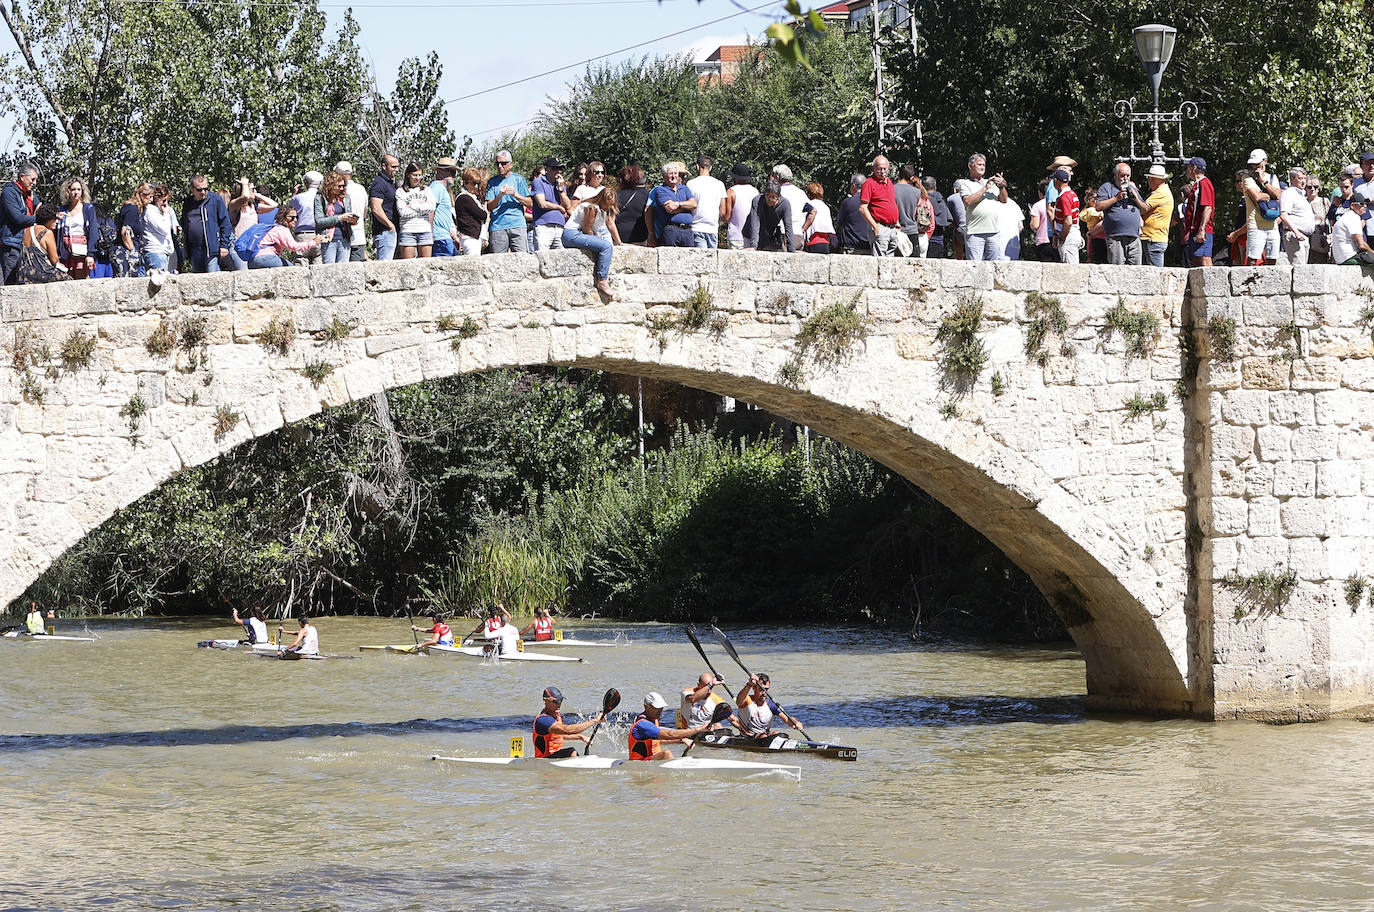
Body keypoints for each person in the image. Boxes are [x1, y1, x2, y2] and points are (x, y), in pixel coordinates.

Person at [562, 185, 619, 296]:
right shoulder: (591, 207)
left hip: (575, 234)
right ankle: (602, 280)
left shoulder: (599, 208)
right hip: (572, 234)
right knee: (606, 246)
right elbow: (587, 229)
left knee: (604, 244)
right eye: (608, 204)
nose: (609, 207)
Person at [626, 692, 715, 761]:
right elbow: (670, 734)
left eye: (661, 708)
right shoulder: (643, 725)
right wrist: (699, 729)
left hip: (651, 759)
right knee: (666, 754)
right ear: (646, 707)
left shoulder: (653, 719)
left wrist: (681, 739)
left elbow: (659, 741)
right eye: (656, 708)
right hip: (639, 763)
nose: (659, 711)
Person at [954, 153, 1007, 261]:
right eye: (979, 164)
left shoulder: (992, 183)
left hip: (993, 231)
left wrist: (1001, 187)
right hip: (975, 233)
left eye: (984, 165)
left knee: (993, 267)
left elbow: (1004, 199)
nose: (982, 167)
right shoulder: (965, 183)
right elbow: (968, 201)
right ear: (970, 166)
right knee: (975, 267)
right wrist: (985, 189)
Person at [1093, 161, 1146, 265]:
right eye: (1122, 175)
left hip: (1134, 237)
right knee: (1117, 270)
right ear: (1115, 175)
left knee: (1136, 270)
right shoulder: (1107, 187)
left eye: (1128, 176)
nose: (1125, 178)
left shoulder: (1133, 189)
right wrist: (1116, 198)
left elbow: (1144, 210)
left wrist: (1136, 199)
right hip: (1115, 237)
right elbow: (1098, 206)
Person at [532, 685, 605, 758]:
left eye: (560, 701)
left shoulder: (557, 715)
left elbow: (559, 736)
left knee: (571, 752)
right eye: (555, 701)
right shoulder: (543, 720)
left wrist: (580, 737)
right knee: (571, 751)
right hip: (544, 760)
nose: (559, 704)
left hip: (556, 757)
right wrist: (594, 721)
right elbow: (567, 730)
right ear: (545, 700)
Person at [181, 175, 233, 274]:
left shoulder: (215, 200)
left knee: (212, 279)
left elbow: (225, 223)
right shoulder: (187, 203)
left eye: (206, 189)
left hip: (211, 249)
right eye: (199, 190)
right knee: (198, 280)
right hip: (194, 249)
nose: (203, 192)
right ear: (192, 189)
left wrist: (224, 245)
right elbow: (185, 224)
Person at [1239, 149, 1282, 266]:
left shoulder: (1272, 177)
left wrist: (1264, 182)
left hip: (1272, 226)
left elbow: (1279, 196)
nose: (1255, 167)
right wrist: (1272, 196)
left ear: (1265, 162)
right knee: (1252, 260)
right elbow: (1257, 197)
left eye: (1257, 163)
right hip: (1255, 225)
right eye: (1252, 164)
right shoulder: (1247, 178)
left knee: (1272, 259)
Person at [485, 150, 533, 253]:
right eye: (497, 163)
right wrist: (500, 196)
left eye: (503, 163)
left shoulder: (519, 179)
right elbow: (489, 207)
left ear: (510, 164)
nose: (500, 166)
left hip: (517, 224)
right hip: (498, 226)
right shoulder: (492, 182)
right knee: (497, 262)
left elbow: (530, 203)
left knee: (523, 259)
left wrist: (515, 194)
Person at [2, 162, 39, 285]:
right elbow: (17, 218)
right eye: (32, 179)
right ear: (22, 177)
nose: (34, 183)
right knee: (9, 282)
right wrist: (37, 218)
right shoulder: (9, 192)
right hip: (11, 245)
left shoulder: (29, 194)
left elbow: (40, 208)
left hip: (24, 245)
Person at [735, 673, 804, 738]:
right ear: (754, 688)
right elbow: (739, 701)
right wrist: (749, 685)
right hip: (747, 738)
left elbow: (787, 719)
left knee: (777, 734)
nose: (764, 693)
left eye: (766, 689)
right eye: (761, 689)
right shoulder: (747, 701)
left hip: (765, 737)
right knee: (764, 736)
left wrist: (795, 723)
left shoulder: (771, 704)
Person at [645, 161, 697, 248]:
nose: (675, 176)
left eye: (677, 174)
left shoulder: (684, 189)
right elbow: (670, 209)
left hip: (687, 231)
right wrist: (687, 207)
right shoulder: (660, 190)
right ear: (664, 176)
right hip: (671, 230)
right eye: (671, 174)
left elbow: (694, 204)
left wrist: (678, 204)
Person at [245, 208, 318, 268]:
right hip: (266, 258)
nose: (295, 220)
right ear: (283, 217)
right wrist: (313, 242)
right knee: (293, 270)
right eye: (291, 217)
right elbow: (293, 246)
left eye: (296, 217)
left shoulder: (274, 227)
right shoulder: (282, 229)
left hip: (253, 261)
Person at [314, 170, 361, 265]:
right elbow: (319, 221)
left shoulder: (345, 198)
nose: (341, 188)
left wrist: (352, 220)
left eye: (343, 186)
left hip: (345, 239)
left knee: (344, 270)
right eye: (339, 186)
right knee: (329, 270)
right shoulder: (320, 198)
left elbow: (347, 215)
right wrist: (339, 218)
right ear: (330, 185)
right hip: (329, 240)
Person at [229, 178, 276, 270]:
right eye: (252, 189)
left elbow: (273, 205)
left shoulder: (253, 207)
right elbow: (244, 197)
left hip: (253, 246)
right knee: (244, 274)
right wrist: (245, 184)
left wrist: (258, 195)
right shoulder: (233, 205)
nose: (254, 191)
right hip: (239, 247)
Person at [15, 204, 68, 284]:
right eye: (55, 218)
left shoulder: (28, 231)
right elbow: (54, 260)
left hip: (23, 275)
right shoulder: (47, 233)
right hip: (42, 273)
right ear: (48, 218)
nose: (56, 221)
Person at [859, 154, 900, 256]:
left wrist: (897, 222)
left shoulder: (889, 182)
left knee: (890, 261)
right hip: (880, 227)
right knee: (880, 261)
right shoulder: (869, 183)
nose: (883, 172)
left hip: (892, 228)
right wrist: (875, 227)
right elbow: (863, 208)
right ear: (873, 168)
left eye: (885, 169)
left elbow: (892, 202)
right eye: (880, 169)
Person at [56, 178, 97, 279]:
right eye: (73, 189)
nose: (76, 192)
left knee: (82, 281)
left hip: (81, 250)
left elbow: (93, 231)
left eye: (79, 189)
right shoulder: (62, 209)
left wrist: (90, 254)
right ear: (68, 191)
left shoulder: (88, 208)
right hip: (65, 252)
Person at [395, 162, 436, 259]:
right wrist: (422, 207)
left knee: (426, 264)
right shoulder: (400, 192)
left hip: (425, 230)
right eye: (415, 175)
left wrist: (413, 205)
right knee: (408, 266)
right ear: (408, 175)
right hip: (408, 230)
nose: (418, 178)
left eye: (420, 175)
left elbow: (431, 207)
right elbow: (403, 212)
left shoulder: (426, 190)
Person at [531, 157, 572, 251]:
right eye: (555, 168)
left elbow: (568, 206)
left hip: (560, 226)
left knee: (562, 259)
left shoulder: (560, 185)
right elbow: (542, 204)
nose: (558, 171)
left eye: (560, 168)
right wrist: (559, 208)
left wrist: (561, 189)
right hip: (543, 226)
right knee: (543, 258)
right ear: (547, 169)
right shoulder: (538, 182)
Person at [687, 155, 727, 248]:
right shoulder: (720, 184)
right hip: (713, 228)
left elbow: (689, 205)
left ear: (698, 166)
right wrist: (719, 223)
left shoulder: (691, 184)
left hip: (697, 227)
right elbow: (723, 211)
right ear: (710, 168)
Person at [1181, 157, 1215, 267]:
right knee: (1196, 260)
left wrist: (1202, 229)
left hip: (1201, 230)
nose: (1187, 170)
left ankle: (1211, 284)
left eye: (1188, 167)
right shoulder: (1197, 184)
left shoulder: (1204, 183)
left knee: (1204, 260)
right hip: (1194, 230)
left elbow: (1208, 207)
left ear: (1194, 168)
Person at [1278, 167, 1315, 265]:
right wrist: (1296, 232)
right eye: (1300, 178)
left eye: (1304, 178)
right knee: (1298, 268)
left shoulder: (1301, 195)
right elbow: (1284, 215)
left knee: (1302, 269)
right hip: (1295, 236)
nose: (1303, 181)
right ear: (1292, 179)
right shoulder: (1289, 193)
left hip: (1303, 237)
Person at [113, 183, 151, 278]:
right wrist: (132, 251)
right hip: (124, 254)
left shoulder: (138, 210)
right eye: (150, 197)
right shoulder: (132, 209)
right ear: (142, 195)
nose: (151, 200)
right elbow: (125, 232)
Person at [1139, 164, 1174, 267]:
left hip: (1153, 239)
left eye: (1150, 178)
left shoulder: (1161, 193)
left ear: (1155, 179)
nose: (1149, 181)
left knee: (1155, 274)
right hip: (1152, 238)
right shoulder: (1160, 192)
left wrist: (1135, 198)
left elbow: (1144, 208)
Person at [743, 181, 794, 252]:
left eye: (773, 197)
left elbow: (788, 227)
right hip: (750, 234)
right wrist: (753, 246)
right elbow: (755, 223)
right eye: (767, 196)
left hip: (767, 236)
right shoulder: (757, 201)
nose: (770, 200)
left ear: (779, 197)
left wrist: (791, 250)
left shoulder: (785, 204)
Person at [426, 157, 460, 257]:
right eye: (452, 173)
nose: (454, 176)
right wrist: (430, 233)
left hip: (444, 237)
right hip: (439, 238)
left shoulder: (441, 189)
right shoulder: (436, 187)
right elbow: (430, 210)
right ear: (441, 172)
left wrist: (452, 235)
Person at [335, 162, 369, 262]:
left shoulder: (337, 190)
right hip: (359, 237)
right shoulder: (361, 189)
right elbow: (364, 213)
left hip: (341, 238)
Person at [288, 171, 324, 266]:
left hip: (302, 235)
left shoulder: (299, 198)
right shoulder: (323, 198)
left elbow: (289, 209)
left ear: (306, 183)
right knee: (319, 263)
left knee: (301, 264)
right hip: (318, 234)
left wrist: (294, 193)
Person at [369, 155, 400, 261]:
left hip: (390, 232)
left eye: (397, 167)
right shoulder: (379, 183)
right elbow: (376, 208)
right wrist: (390, 225)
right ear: (384, 166)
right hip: (385, 232)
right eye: (393, 167)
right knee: (384, 266)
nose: (396, 170)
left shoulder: (390, 183)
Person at [142, 184, 178, 274]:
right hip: (155, 253)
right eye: (163, 200)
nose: (165, 204)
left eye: (167, 200)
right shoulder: (150, 211)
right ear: (156, 198)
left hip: (162, 253)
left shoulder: (159, 211)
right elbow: (164, 229)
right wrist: (166, 214)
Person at [722, 162, 759, 250]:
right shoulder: (755, 191)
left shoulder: (731, 192)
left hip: (735, 235)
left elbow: (727, 217)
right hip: (751, 236)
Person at [772, 165, 809, 250]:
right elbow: (812, 211)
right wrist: (803, 228)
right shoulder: (801, 193)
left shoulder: (777, 192)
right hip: (798, 234)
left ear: (778, 177)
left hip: (783, 234)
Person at [1049, 169, 1082, 263]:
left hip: (1068, 236)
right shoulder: (1072, 194)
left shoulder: (1064, 197)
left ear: (1056, 181)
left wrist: (1062, 238)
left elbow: (1068, 221)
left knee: (1071, 270)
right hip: (1074, 232)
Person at [1331, 195, 1373, 265]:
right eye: (1362, 204)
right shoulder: (1353, 218)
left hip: (1342, 258)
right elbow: (1361, 245)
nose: (1365, 206)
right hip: (1348, 258)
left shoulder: (1349, 216)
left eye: (1366, 203)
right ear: (1352, 206)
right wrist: (1372, 252)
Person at [614, 164, 651, 245]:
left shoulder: (615, 195)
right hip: (640, 238)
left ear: (621, 180)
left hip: (618, 238)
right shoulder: (647, 195)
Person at [454, 168, 487, 256]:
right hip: (470, 237)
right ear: (465, 182)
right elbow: (482, 215)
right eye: (473, 183)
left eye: (478, 183)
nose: (476, 186)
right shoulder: (465, 198)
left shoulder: (470, 197)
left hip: (472, 237)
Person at [835, 174, 871, 255]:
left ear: (853, 186)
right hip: (869, 246)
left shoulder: (847, 202)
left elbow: (840, 222)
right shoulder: (872, 202)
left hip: (851, 246)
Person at [894, 164, 924, 257]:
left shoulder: (891, 189)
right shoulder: (917, 192)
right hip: (912, 230)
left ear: (899, 174)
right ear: (911, 178)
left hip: (895, 230)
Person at [800, 182, 835, 254]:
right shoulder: (826, 207)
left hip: (812, 242)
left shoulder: (809, 205)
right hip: (825, 244)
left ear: (809, 194)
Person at [924, 176, 950, 259]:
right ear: (935, 187)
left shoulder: (923, 200)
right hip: (939, 241)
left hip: (925, 240)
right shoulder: (941, 200)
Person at [1029, 178, 1053, 261]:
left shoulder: (1037, 205)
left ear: (1040, 193)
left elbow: (1035, 225)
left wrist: (1031, 216)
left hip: (1043, 242)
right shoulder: (1057, 203)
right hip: (1056, 241)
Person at [996, 192, 1024, 261]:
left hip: (997, 246)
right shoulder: (1014, 204)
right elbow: (1020, 226)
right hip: (1013, 248)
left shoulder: (991, 203)